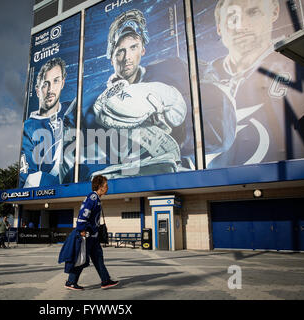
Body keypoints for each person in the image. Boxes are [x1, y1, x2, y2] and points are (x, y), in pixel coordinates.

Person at [78, 8, 193, 181]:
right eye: (120, 51)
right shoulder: (89, 103)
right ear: (111, 57)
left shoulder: (170, 73)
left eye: (133, 47)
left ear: (143, 50)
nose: (127, 57)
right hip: (121, 180)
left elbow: (217, 131)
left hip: (174, 173)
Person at [202, 0, 304, 167]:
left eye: (253, 13)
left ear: (274, 13)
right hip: (219, 185)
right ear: (219, 27)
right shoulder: (202, 81)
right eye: (232, 17)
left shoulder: (301, 65)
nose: (241, 25)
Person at [19, 57, 76, 188]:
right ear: (38, 90)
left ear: (62, 83)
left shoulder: (74, 107)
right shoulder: (28, 127)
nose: (50, 89)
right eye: (45, 84)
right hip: (53, 197)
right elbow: (29, 180)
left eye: (56, 81)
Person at [59, 175, 119, 290]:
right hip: (88, 236)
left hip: (94, 237)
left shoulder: (96, 198)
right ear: (100, 186)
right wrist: (82, 229)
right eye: (106, 185)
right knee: (82, 259)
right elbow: (83, 213)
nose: (107, 188)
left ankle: (105, 280)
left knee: (98, 258)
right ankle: (71, 282)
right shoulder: (92, 197)